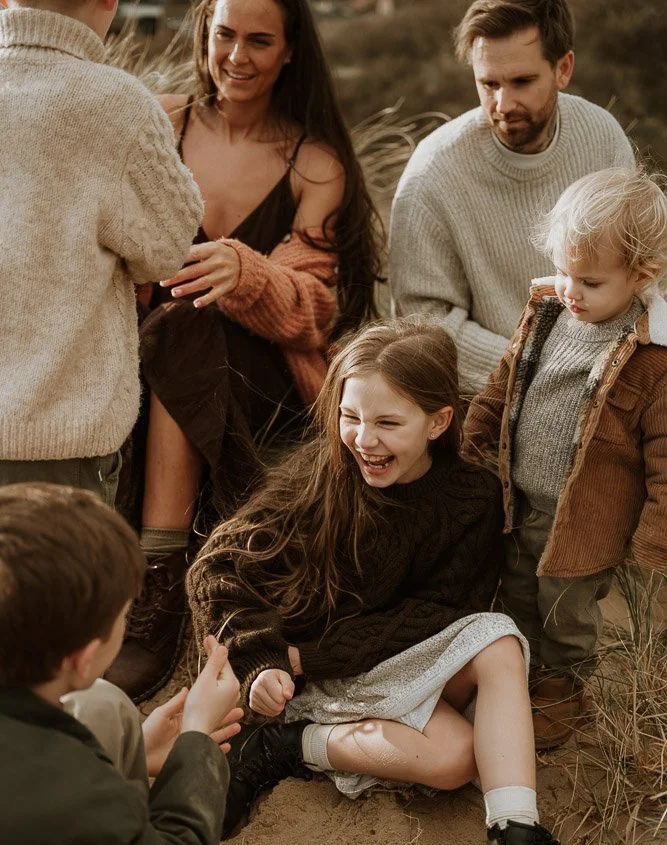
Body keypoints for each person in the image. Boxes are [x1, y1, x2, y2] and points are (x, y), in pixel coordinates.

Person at [186, 320, 629, 845]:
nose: (364, 440)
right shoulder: (320, 479)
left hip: (376, 658)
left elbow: (444, 613)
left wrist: (315, 655)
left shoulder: (470, 500)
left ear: (440, 421)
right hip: (313, 679)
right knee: (452, 760)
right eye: (350, 416)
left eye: (388, 423)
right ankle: (287, 743)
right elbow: (216, 569)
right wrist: (263, 661)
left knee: (497, 642)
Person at [107, 0, 381, 704]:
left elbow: (315, 314)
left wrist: (247, 273)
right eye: (224, 34)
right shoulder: (159, 123)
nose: (237, 56)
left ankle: (160, 573)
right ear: (203, 34)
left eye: (259, 41)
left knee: (189, 325)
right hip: (140, 360)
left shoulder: (311, 161)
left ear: (290, 52)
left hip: (264, 380)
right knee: (176, 324)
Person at [0, 482, 283, 845]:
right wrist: (195, 743)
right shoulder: (63, 787)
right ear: (83, 656)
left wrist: (129, 754)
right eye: (121, 618)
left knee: (104, 707)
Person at [462, 166, 667, 749]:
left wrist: (655, 533)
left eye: (591, 282)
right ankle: (520, 673)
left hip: (587, 517)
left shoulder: (652, 357)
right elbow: (504, 387)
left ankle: (564, 687)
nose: (571, 290)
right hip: (522, 495)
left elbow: (665, 454)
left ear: (641, 276)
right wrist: (473, 442)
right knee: (518, 585)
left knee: (566, 608)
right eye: (563, 271)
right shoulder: (550, 312)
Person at [0, 0, 203, 505]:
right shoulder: (118, 106)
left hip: (56, 446)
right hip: (59, 448)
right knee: (69, 587)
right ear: (109, 3)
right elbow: (170, 245)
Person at [389, 0, 636, 397]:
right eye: (489, 84)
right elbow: (423, 323)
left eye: (521, 82)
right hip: (486, 397)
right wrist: (535, 368)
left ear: (563, 69)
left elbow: (636, 273)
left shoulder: (602, 138)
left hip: (607, 377)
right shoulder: (432, 173)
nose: (502, 105)